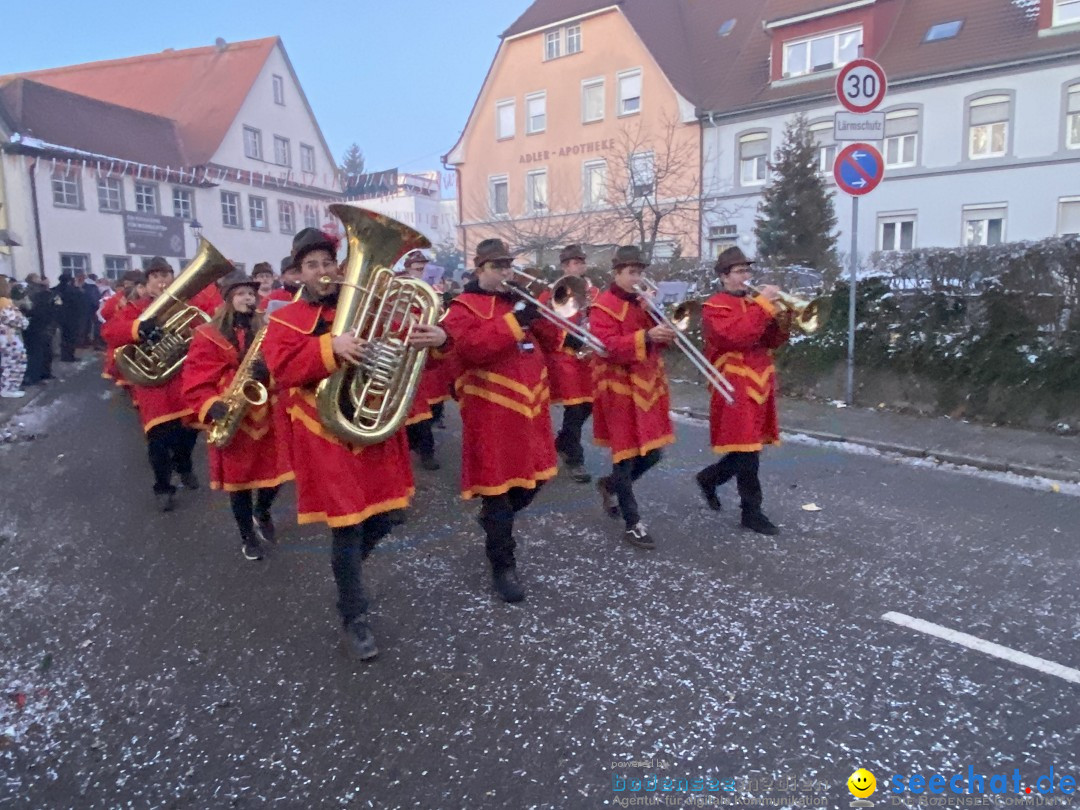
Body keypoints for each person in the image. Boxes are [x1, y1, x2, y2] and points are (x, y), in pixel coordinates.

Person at [261, 227, 446, 661]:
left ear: (339, 266)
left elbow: (408, 344)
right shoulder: (285, 319)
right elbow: (283, 370)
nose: (322, 272)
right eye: (312, 266)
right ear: (298, 273)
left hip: (372, 424)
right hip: (324, 432)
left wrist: (439, 339)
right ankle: (353, 613)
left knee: (388, 517)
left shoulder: (369, 306)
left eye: (328, 263)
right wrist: (331, 346)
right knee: (347, 526)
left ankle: (348, 579)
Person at [439, 238, 561, 603]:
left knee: (532, 483)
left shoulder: (520, 301)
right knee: (499, 493)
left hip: (531, 409)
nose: (507, 272)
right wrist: (514, 320)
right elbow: (473, 348)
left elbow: (554, 342)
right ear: (480, 270)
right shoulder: (462, 307)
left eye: (509, 265)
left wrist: (540, 313)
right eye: (498, 266)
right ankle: (502, 565)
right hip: (491, 412)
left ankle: (495, 522)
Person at [182, 272, 294, 560]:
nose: (248, 299)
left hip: (267, 411)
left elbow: (286, 364)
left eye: (251, 294)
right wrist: (209, 404)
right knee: (239, 483)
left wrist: (268, 371)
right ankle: (247, 535)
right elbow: (196, 375)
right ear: (229, 299)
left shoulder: (266, 327)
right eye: (241, 293)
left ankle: (263, 510)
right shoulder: (207, 334)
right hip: (232, 414)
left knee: (276, 475)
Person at [103, 257, 209, 512]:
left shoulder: (184, 305)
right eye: (156, 276)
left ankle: (184, 466)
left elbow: (204, 329)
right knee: (159, 441)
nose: (162, 281)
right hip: (154, 388)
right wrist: (139, 328)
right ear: (147, 282)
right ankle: (163, 486)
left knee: (189, 434)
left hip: (182, 381)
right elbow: (108, 332)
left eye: (167, 275)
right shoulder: (135, 309)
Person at [695, 247, 789, 536]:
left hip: (760, 380)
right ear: (724, 277)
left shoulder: (754, 303)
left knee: (749, 447)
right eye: (739, 271)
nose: (745, 277)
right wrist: (763, 306)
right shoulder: (715, 307)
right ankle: (751, 511)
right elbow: (737, 337)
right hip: (733, 383)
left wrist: (784, 317)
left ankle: (709, 478)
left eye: (747, 270)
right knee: (747, 450)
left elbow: (772, 341)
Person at [589, 246, 677, 550]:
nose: (637, 278)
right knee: (624, 457)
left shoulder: (644, 303)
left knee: (653, 453)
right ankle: (633, 523)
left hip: (648, 387)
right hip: (617, 389)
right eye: (631, 272)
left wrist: (663, 329)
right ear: (616, 274)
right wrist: (646, 337)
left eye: (640, 272)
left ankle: (610, 486)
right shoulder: (602, 306)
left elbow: (659, 342)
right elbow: (607, 346)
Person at [542, 244, 599, 484]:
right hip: (565, 357)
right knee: (575, 408)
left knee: (588, 406)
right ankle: (575, 458)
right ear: (564, 266)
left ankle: (564, 441)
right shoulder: (553, 291)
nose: (579, 265)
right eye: (574, 262)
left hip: (589, 358)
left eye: (581, 262)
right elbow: (542, 325)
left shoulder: (593, 291)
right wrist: (567, 337)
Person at [398, 249, 443, 471]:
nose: (422, 273)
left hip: (421, 360)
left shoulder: (430, 292)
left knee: (422, 414)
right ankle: (411, 453)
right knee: (404, 414)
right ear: (407, 270)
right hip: (400, 355)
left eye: (424, 269)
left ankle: (427, 452)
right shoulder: (402, 290)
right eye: (417, 269)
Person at [21, 274, 57, 385]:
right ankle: (34, 376)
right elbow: (30, 308)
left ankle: (43, 374)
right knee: (36, 353)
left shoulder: (43, 292)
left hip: (40, 325)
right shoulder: (32, 292)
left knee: (44, 351)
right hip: (36, 326)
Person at [0, 278, 29, 397]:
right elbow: (15, 320)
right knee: (14, 362)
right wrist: (24, 322)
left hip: (4, 336)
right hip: (7, 337)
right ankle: (8, 388)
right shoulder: (4, 302)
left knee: (6, 362)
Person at [53, 273, 81, 362]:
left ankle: (64, 355)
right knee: (71, 337)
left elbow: (56, 303)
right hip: (71, 316)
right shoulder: (72, 290)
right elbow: (78, 302)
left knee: (63, 336)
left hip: (60, 316)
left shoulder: (56, 289)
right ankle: (70, 356)